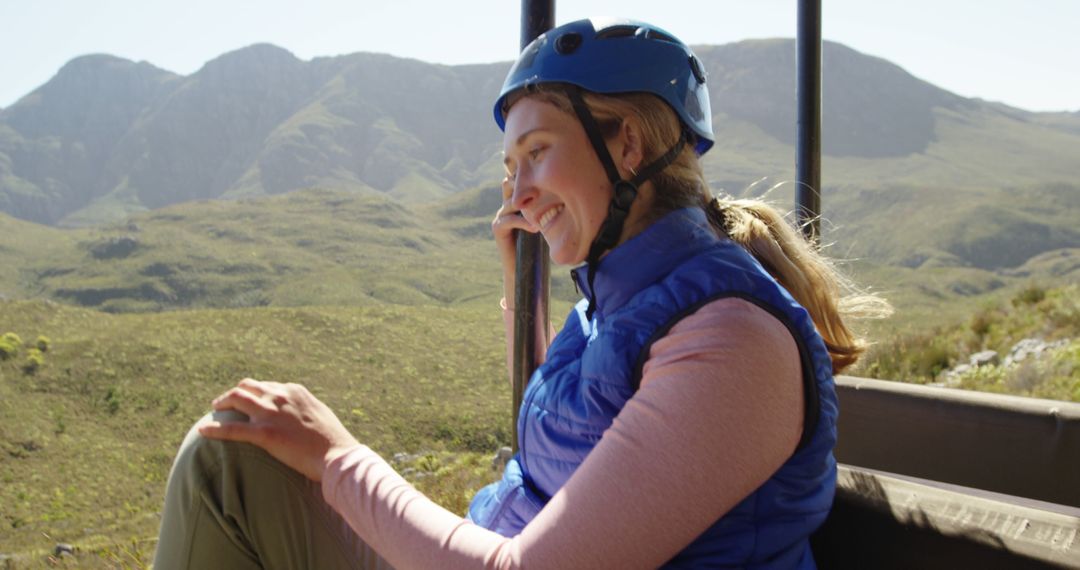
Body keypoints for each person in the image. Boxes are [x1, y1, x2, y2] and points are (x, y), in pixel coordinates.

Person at [154, 18, 886, 569]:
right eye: (511, 167)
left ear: (627, 146)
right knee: (239, 445)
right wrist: (521, 290)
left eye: (537, 154)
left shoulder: (733, 342)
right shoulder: (617, 304)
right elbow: (582, 439)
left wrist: (338, 457)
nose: (517, 192)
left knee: (228, 466)